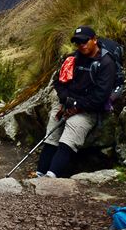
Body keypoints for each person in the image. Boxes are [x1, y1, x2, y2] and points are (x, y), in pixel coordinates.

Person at [36, 25, 115, 178]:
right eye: (78, 42)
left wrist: (77, 106)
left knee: (70, 136)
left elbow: (100, 96)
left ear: (94, 40)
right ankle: (40, 173)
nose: (81, 45)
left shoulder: (106, 63)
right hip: (66, 104)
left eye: (85, 41)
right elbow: (59, 82)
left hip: (88, 110)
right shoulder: (71, 59)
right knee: (51, 135)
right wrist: (66, 100)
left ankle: (51, 177)